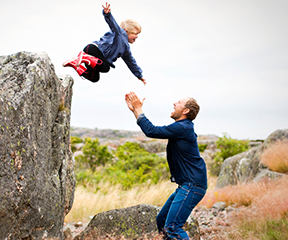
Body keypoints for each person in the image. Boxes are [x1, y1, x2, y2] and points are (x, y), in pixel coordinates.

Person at [125, 92, 207, 240]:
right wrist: (136, 110)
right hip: (186, 185)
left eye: (178, 103)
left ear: (185, 111)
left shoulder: (183, 127)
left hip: (192, 185)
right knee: (162, 222)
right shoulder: (181, 127)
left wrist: (139, 109)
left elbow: (152, 131)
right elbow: (151, 130)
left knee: (172, 227)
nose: (174, 103)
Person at [62, 2, 146, 85]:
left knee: (94, 77)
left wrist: (139, 75)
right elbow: (112, 24)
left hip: (95, 58)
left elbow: (131, 62)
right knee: (105, 68)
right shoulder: (120, 33)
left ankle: (75, 64)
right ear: (126, 31)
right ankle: (84, 57)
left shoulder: (125, 50)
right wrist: (107, 14)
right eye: (135, 34)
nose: (137, 36)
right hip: (94, 49)